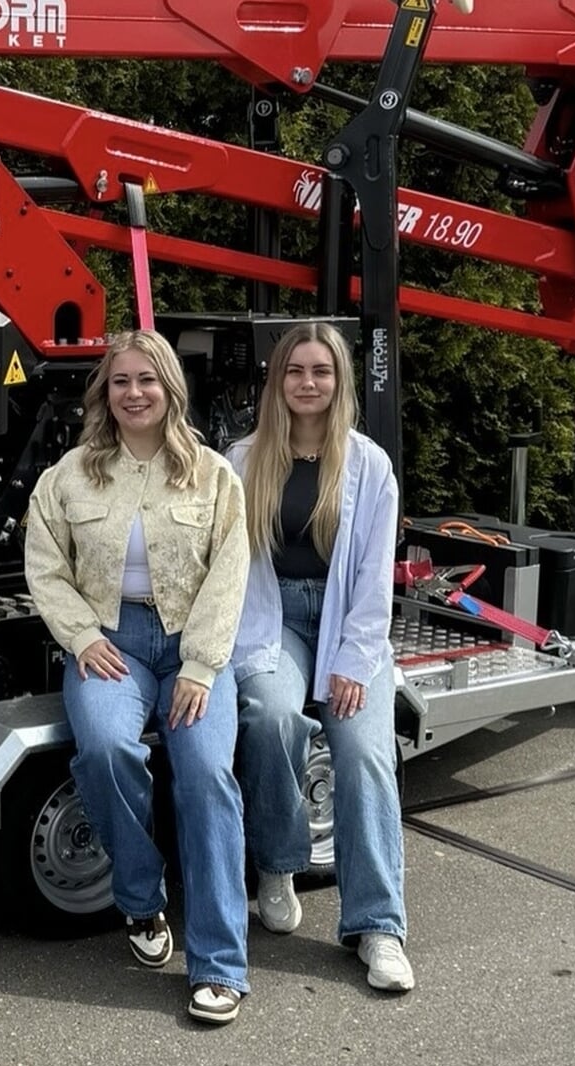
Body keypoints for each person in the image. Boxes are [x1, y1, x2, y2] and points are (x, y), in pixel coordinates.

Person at [23, 328, 253, 1025]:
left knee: (207, 774)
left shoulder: (213, 474)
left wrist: (204, 664)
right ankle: (142, 895)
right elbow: (44, 564)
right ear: (105, 393)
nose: (134, 393)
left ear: (171, 389)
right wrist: (83, 634)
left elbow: (231, 569)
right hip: (110, 645)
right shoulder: (69, 476)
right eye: (120, 381)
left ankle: (219, 965)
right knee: (105, 747)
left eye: (147, 380)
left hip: (192, 644)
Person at [226, 321, 414, 992]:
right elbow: (230, 566)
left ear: (340, 381)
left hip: (346, 623)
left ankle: (378, 925)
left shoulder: (369, 464)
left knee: (364, 751)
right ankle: (278, 863)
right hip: (270, 616)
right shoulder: (241, 461)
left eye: (321, 371)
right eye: (295, 370)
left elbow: (372, 576)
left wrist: (355, 660)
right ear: (276, 380)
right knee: (273, 714)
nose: (308, 382)